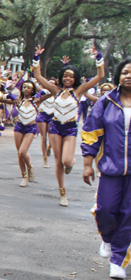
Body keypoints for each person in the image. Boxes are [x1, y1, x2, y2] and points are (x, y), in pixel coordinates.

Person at [33, 46, 104, 206]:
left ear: (75, 78)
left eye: (71, 77)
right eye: (65, 76)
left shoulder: (79, 91)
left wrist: (98, 57)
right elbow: (37, 75)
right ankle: (62, 193)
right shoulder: (54, 89)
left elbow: (100, 76)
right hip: (56, 127)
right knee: (58, 162)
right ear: (61, 77)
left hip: (70, 128)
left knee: (66, 161)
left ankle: (70, 161)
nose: (67, 78)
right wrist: (36, 58)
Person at [82, 59, 131, 279]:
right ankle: (108, 238)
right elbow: (92, 131)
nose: (128, 76)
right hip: (110, 168)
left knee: (128, 215)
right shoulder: (107, 101)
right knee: (105, 210)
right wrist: (87, 163)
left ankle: (118, 261)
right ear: (118, 76)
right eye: (125, 72)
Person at [11, 79, 39, 187]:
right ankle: (24, 176)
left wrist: (38, 87)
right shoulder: (19, 100)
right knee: (19, 153)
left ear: (32, 89)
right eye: (24, 87)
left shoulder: (36, 100)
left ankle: (30, 166)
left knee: (23, 151)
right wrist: (8, 97)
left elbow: (49, 92)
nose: (26, 89)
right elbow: (1, 98)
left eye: (28, 87)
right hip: (19, 126)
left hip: (31, 127)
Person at [35, 80, 56, 168]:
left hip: (52, 115)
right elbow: (37, 99)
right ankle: (45, 160)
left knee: (51, 138)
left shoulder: (57, 94)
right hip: (42, 114)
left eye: (52, 84)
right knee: (43, 138)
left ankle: (49, 147)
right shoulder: (42, 92)